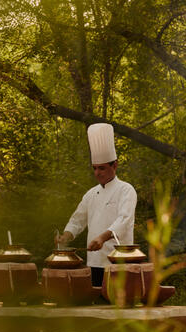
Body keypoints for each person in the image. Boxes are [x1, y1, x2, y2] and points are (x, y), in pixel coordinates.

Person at [57, 123, 137, 287]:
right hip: (94, 262)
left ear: (115, 165)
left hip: (119, 262)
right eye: (94, 168)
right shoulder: (91, 194)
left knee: (117, 302)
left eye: (102, 168)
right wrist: (66, 236)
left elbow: (124, 220)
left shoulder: (126, 190)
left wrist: (102, 238)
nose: (97, 173)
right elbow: (78, 219)